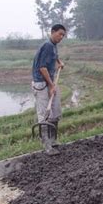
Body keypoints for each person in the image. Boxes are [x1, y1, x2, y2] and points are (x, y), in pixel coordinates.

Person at [31, 24, 66, 155]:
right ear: (52, 32)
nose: (61, 37)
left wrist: (59, 62)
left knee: (55, 111)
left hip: (49, 81)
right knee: (44, 114)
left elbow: (54, 55)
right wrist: (51, 86)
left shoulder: (53, 45)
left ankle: (53, 140)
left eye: (63, 35)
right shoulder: (47, 45)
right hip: (41, 83)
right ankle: (47, 145)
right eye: (59, 34)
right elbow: (42, 68)